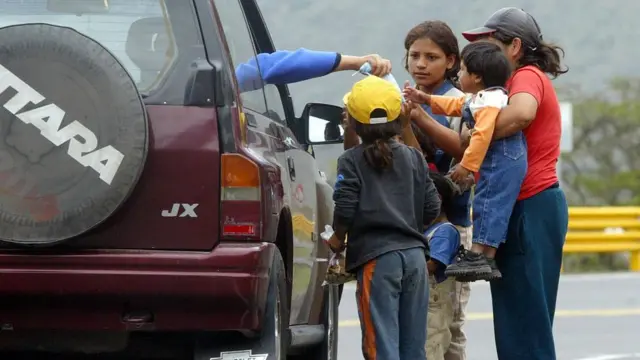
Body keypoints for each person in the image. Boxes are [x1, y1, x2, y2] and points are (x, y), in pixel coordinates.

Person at [420, 7, 568, 359]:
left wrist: (476, 133)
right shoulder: (493, 93)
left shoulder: (526, 77)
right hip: (521, 207)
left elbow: (522, 114)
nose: (481, 52)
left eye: (489, 42)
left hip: (530, 205)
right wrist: (421, 117)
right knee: (517, 317)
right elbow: (467, 146)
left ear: (514, 46)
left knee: (525, 321)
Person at [325, 75, 440, 360]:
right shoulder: (414, 157)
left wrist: (338, 239)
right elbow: (431, 208)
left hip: (378, 262)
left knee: (381, 345)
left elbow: (346, 206)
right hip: (415, 260)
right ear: (398, 117)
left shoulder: (350, 160)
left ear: (351, 121)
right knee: (414, 346)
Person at [404, 41, 526, 281]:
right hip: (497, 160)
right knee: (486, 202)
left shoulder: (490, 101)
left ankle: (482, 254)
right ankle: (484, 253)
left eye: (461, 70)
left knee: (490, 204)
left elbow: (482, 135)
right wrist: (424, 98)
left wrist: (466, 165)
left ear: (477, 77)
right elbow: (455, 105)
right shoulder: (479, 97)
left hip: (503, 159)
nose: (457, 74)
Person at [402, 20, 472, 360]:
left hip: (449, 226)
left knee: (449, 323)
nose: (420, 64)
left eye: (431, 57)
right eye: (414, 55)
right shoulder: (398, 99)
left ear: (451, 61)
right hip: (407, 227)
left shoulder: (461, 102)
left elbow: (466, 153)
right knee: (421, 323)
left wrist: (416, 118)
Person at [424, 171, 462, 360]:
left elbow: (432, 265)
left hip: (434, 312)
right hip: (422, 310)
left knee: (431, 352)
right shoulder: (425, 230)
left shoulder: (445, 232)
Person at [235, 48, 392, 92]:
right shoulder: (222, 82)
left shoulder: (218, 83)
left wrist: (356, 63)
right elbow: (271, 67)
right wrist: (355, 62)